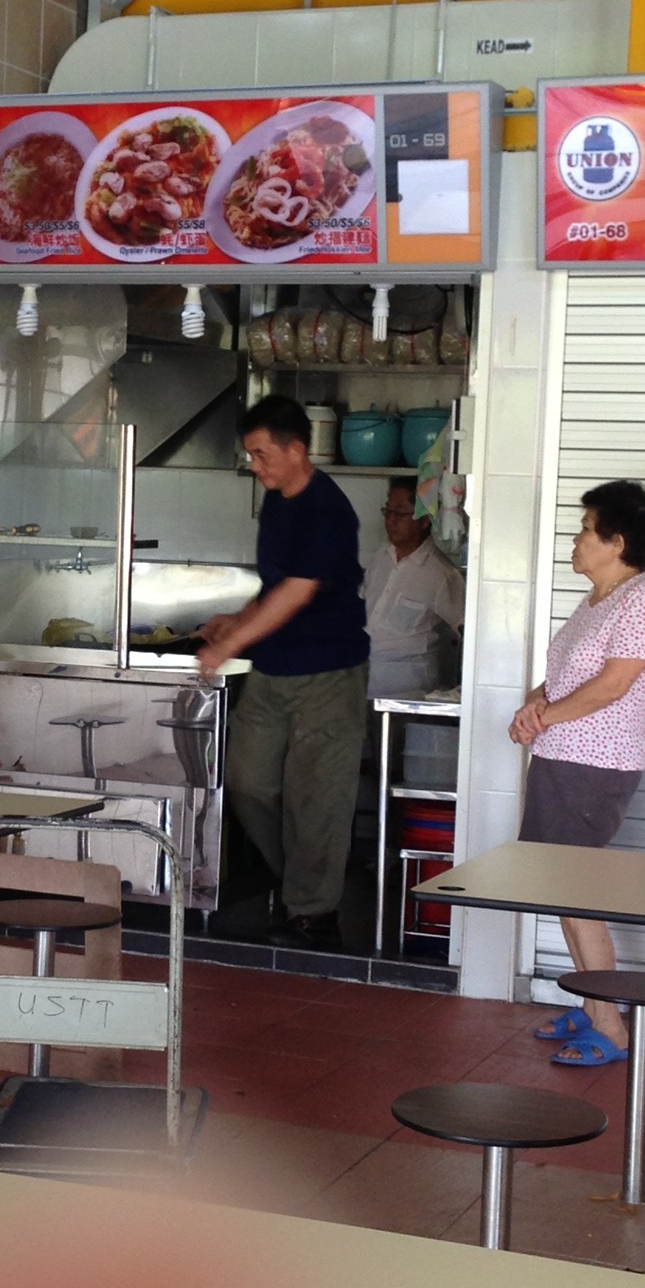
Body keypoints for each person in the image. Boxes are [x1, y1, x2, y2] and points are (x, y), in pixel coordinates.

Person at [198, 395, 369, 950]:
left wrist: (230, 646)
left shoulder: (328, 509)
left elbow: (298, 592)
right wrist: (237, 621)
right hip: (274, 668)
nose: (256, 466)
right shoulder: (276, 503)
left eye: (262, 454)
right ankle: (298, 880)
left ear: (297, 450)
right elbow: (274, 589)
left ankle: (314, 913)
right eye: (251, 455)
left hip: (328, 674)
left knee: (315, 797)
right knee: (248, 782)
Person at [509, 480, 645, 1066]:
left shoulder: (641, 599)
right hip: (561, 757)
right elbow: (565, 678)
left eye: (584, 528)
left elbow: (613, 684)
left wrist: (544, 713)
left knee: (578, 892)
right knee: (561, 886)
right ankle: (593, 998)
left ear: (616, 541)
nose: (575, 539)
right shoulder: (597, 599)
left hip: (595, 766)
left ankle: (610, 1024)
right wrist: (533, 707)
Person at [363, 476, 465, 700]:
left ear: (424, 519)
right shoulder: (382, 555)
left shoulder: (441, 574)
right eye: (387, 511)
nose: (390, 520)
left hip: (409, 695)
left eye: (400, 513)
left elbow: (467, 631)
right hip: (364, 686)